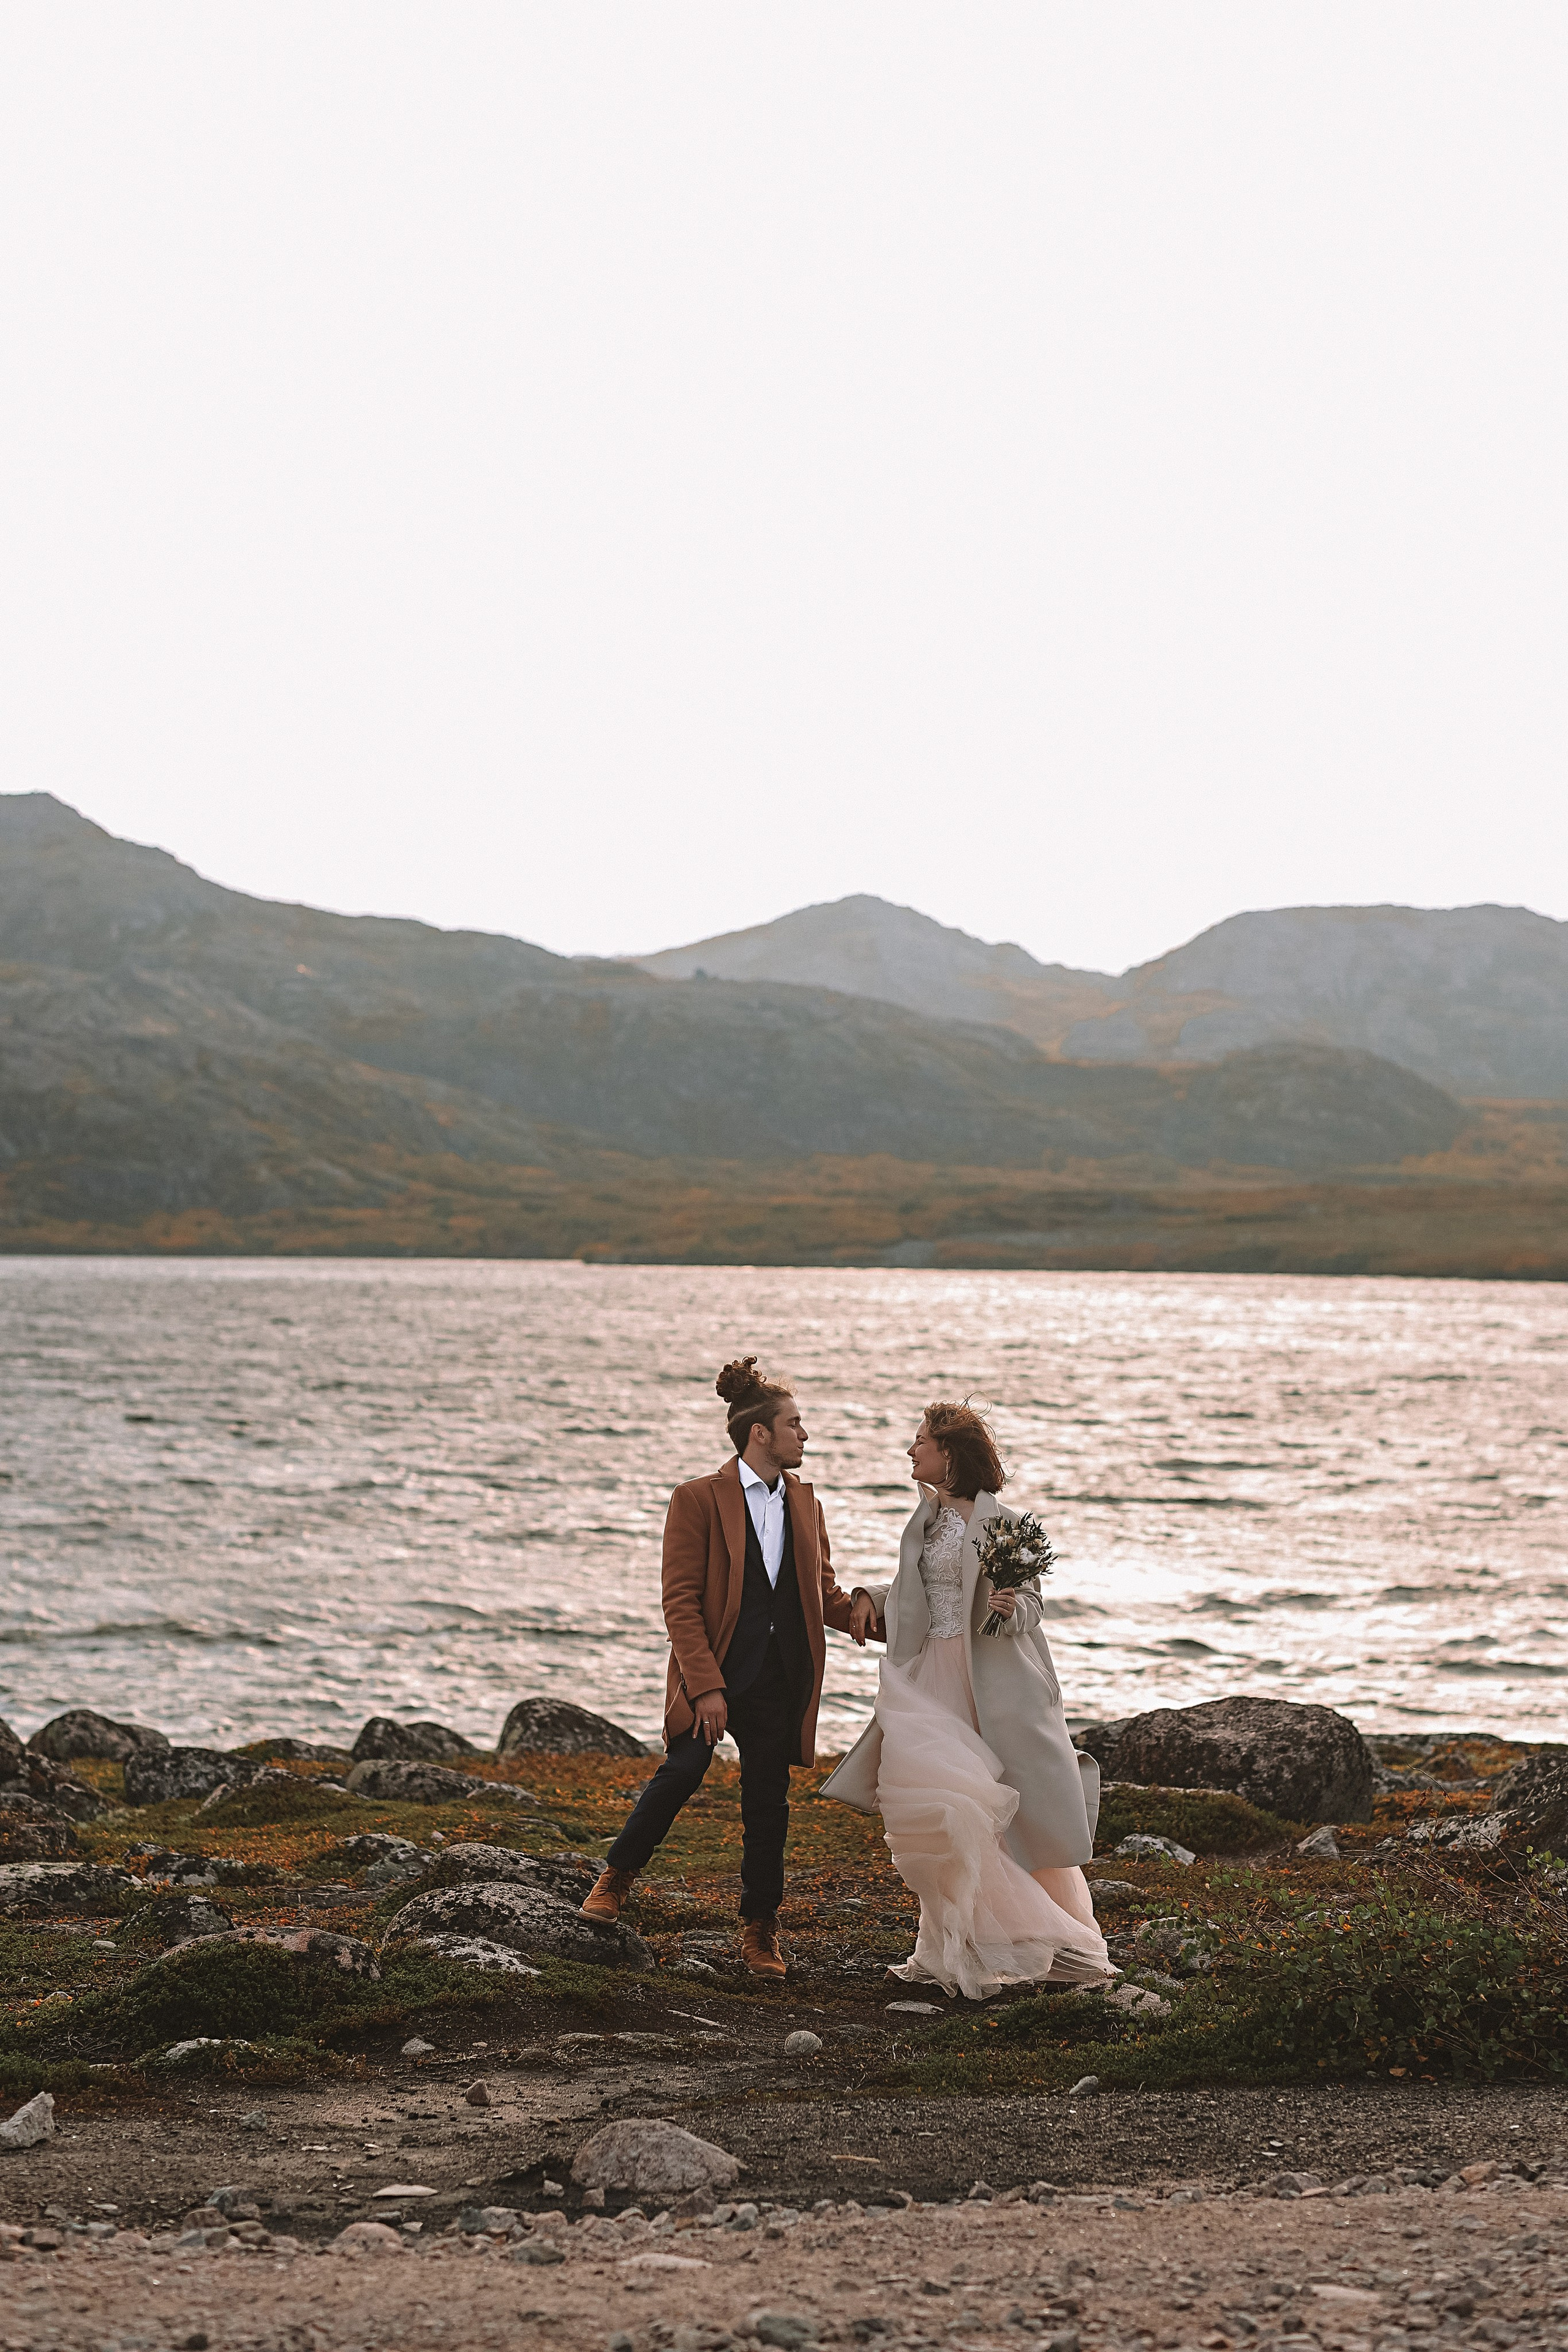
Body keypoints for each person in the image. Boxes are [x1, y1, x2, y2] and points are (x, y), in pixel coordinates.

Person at [580, 1355, 876, 1978]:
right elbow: (680, 1602)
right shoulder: (696, 1499)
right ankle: (616, 1879)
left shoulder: (805, 1504)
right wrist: (706, 1686)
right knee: (681, 1771)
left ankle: (759, 1931)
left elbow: (820, 1594)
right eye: (795, 1424)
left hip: (777, 1678)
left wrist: (878, 1615)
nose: (805, 1435)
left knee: (767, 1804)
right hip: (714, 1669)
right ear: (759, 1434)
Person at [820, 1400, 1112, 2000]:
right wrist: (871, 1595)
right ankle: (946, 1946)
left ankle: (1046, 1938)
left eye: (920, 1440)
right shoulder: (924, 1517)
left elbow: (1033, 1604)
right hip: (928, 1679)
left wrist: (1011, 1611)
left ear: (949, 1454)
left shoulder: (1005, 1524)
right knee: (939, 1812)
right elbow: (920, 1587)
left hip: (990, 1688)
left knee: (994, 1819)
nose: (910, 1450)